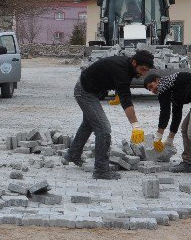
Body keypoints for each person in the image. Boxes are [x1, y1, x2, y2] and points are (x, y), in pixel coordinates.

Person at [63, 49, 154, 180]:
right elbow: (126, 99)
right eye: (142, 69)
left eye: (146, 70)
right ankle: (101, 169)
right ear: (134, 63)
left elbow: (121, 88)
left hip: (92, 90)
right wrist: (136, 125)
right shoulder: (122, 69)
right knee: (104, 129)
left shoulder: (127, 68)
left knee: (88, 124)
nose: (144, 73)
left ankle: (73, 154)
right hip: (84, 91)